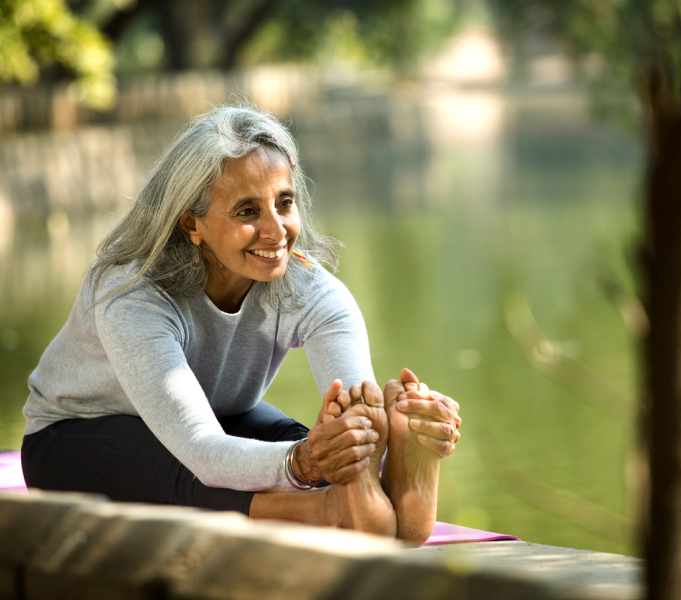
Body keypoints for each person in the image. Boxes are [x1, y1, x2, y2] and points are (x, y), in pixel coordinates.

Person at [19, 102, 461, 544]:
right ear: (193, 223)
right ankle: (327, 513)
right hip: (76, 436)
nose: (276, 231)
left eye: (284, 203)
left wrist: (366, 430)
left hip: (220, 418)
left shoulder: (309, 287)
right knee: (196, 473)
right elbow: (201, 450)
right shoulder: (131, 293)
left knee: (309, 443)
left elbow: (354, 401)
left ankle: (401, 497)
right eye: (247, 212)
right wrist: (302, 463)